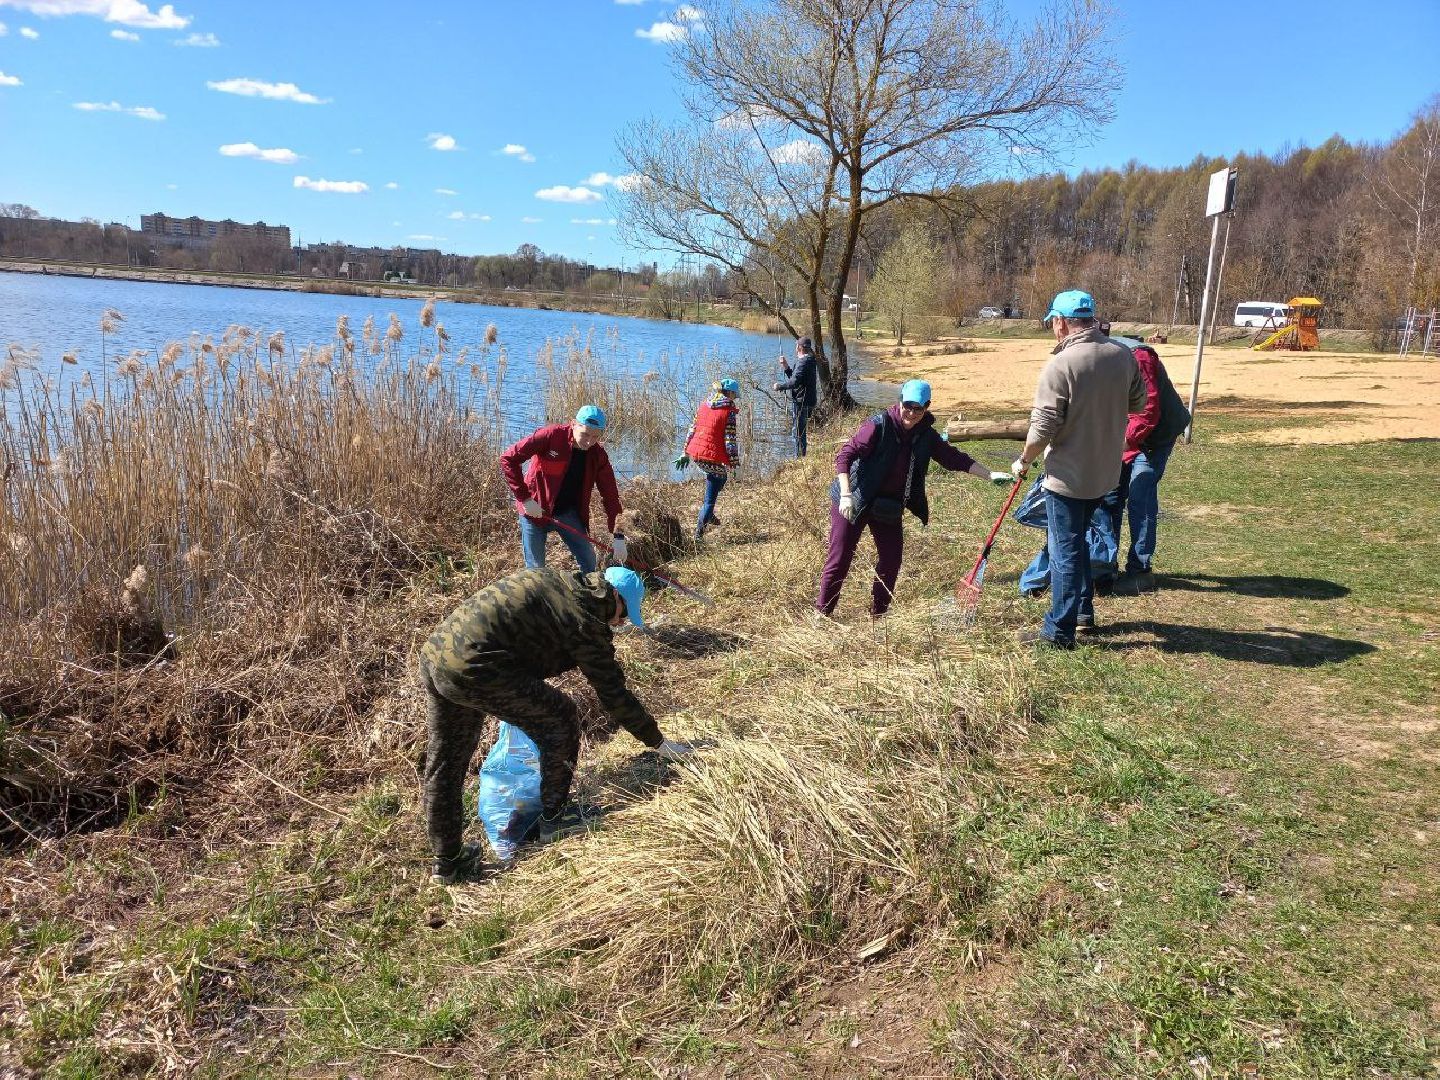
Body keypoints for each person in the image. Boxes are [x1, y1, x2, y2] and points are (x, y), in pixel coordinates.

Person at [419, 565, 695, 883]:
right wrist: (658, 742)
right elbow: (613, 692)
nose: (620, 623)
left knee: (446, 763)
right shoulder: (586, 618)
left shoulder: (561, 582)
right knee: (561, 719)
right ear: (615, 597)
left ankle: (448, 863)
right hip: (476, 667)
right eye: (624, 613)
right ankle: (556, 817)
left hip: (437, 654)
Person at [1011, 290, 1146, 649]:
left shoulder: (1061, 365)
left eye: (1052, 323)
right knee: (1080, 544)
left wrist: (1024, 459)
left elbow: (1042, 426)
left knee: (1064, 553)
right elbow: (1138, 401)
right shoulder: (1122, 354)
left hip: (1068, 478)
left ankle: (1059, 632)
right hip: (1105, 473)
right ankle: (1083, 612)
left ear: (1060, 323)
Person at [818, 379, 1010, 618]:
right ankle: (823, 614)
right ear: (899, 401)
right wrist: (846, 495)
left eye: (918, 408)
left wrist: (990, 474)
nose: (911, 412)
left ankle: (878, 615)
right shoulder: (878, 425)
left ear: (926, 407)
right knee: (840, 558)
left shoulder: (926, 436)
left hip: (887, 505)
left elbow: (954, 458)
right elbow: (845, 455)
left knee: (891, 560)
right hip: (853, 498)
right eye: (907, 405)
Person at [1089, 343, 1191, 595]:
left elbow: (1148, 412)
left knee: (1139, 496)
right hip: (1124, 434)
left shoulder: (1138, 358)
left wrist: (1121, 445)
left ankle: (1140, 571)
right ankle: (1104, 566)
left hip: (1155, 436)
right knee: (1110, 495)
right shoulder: (1090, 360)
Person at [500, 405, 626, 574]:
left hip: (567, 513)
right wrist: (525, 499)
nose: (588, 442)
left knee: (589, 561)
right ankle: (539, 598)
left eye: (595, 436)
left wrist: (618, 537)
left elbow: (610, 496)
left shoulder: (598, 455)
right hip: (534, 510)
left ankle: (584, 596)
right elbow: (508, 459)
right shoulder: (550, 436)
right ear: (574, 424)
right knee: (536, 571)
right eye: (585, 434)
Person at [675, 377, 741, 541]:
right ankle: (699, 534)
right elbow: (730, 439)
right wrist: (733, 462)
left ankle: (709, 514)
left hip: (697, 454)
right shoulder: (729, 411)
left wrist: (685, 452)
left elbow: (692, 429)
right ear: (730, 393)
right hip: (712, 456)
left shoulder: (704, 404)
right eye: (735, 394)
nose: (735, 398)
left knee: (720, 477)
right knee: (710, 497)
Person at [774, 336, 818, 457]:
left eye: (796, 345)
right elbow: (796, 378)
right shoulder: (809, 360)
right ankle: (800, 456)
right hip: (807, 400)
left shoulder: (804, 362)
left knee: (798, 432)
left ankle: (799, 458)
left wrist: (779, 386)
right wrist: (786, 366)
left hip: (802, 402)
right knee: (800, 431)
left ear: (799, 347)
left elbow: (794, 383)